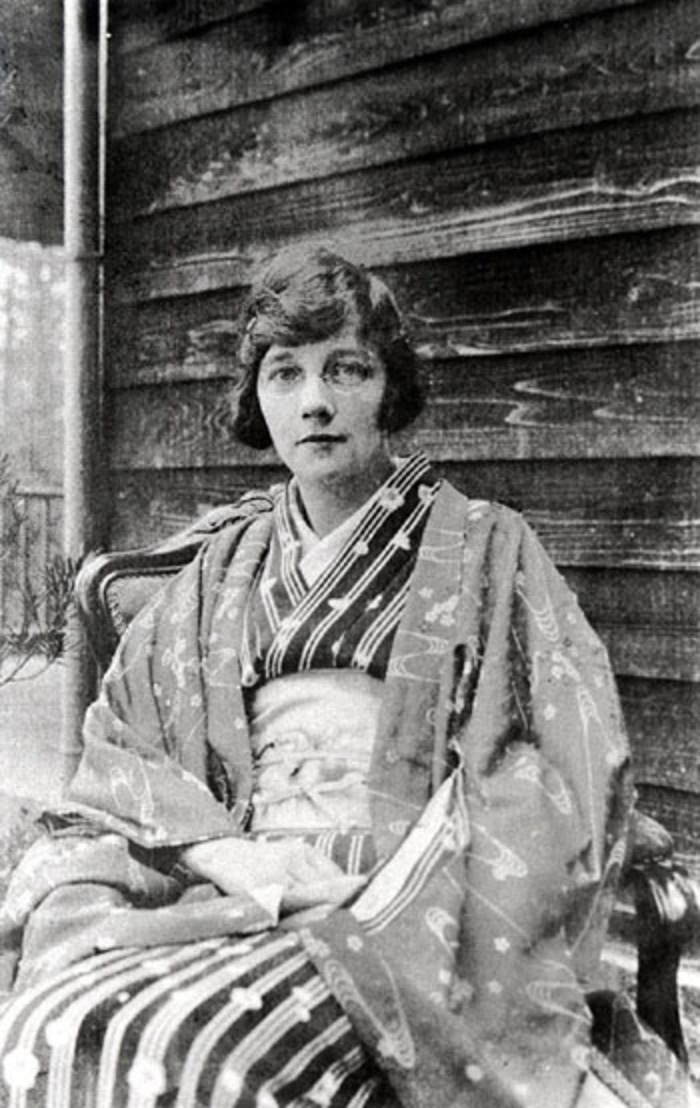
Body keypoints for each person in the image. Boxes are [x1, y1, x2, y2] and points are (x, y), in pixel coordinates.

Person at [0, 247, 687, 1108]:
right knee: (47, 1025)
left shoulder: (488, 546)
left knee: (193, 1053)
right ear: (258, 398)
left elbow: (564, 757)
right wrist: (226, 854)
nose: (315, 401)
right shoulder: (219, 570)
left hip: (402, 912)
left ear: (388, 387)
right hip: (239, 887)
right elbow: (123, 745)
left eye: (347, 368)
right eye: (285, 373)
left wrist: (401, 875)